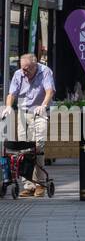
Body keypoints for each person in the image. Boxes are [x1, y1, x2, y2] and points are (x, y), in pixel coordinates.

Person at [2, 54, 54, 197]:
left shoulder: (45, 72)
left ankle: (40, 184)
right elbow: (12, 93)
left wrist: (43, 105)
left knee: (38, 146)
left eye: (27, 69)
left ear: (35, 65)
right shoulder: (18, 74)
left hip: (40, 112)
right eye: (22, 68)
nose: (24, 72)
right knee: (24, 148)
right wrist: (8, 106)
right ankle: (28, 185)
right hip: (24, 113)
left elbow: (50, 91)